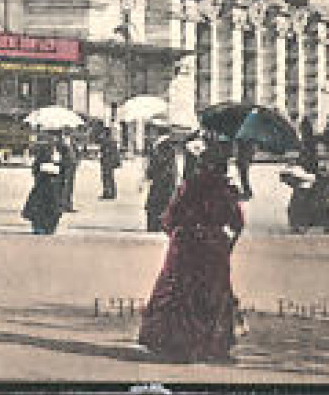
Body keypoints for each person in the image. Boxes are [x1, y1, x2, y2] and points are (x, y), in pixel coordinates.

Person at [138, 137, 245, 362]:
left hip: (186, 246)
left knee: (181, 293)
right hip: (214, 248)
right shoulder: (227, 190)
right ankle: (212, 345)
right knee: (214, 293)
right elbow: (237, 224)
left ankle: (180, 344)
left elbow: (168, 220)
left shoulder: (188, 187)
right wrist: (227, 245)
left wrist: (179, 237)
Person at [22, 138, 65, 235]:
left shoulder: (59, 156)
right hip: (46, 187)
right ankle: (43, 227)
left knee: (49, 207)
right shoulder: (44, 158)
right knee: (45, 207)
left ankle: (46, 227)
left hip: (50, 187)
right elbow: (36, 171)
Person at [285, 158, 329, 234]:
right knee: (300, 204)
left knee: (320, 203)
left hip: (310, 181)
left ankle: (325, 226)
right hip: (305, 182)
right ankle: (297, 226)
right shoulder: (299, 165)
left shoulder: (311, 160)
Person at [144, 129, 180, 233]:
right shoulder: (162, 146)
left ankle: (156, 226)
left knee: (158, 204)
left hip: (163, 181)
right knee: (158, 204)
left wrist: (152, 154)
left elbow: (160, 163)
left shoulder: (164, 146)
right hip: (163, 180)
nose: (151, 135)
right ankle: (156, 225)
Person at [56, 131, 78, 212]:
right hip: (64, 165)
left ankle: (68, 204)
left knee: (69, 185)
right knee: (64, 185)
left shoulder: (71, 141)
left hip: (71, 164)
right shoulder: (59, 142)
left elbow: (76, 151)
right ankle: (63, 204)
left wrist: (77, 160)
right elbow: (60, 153)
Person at [98, 128, 122, 200]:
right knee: (109, 177)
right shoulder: (111, 141)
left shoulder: (108, 141)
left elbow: (107, 152)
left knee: (107, 177)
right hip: (108, 162)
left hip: (107, 162)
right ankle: (111, 193)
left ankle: (108, 193)